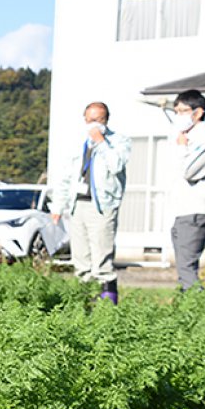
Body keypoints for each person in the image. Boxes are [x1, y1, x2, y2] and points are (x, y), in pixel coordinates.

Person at [51, 102, 131, 304]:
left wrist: (101, 142)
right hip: (77, 205)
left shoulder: (119, 142)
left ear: (106, 120)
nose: (93, 124)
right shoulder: (79, 143)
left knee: (102, 259)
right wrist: (58, 206)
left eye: (98, 120)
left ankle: (108, 305)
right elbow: (67, 177)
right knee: (80, 259)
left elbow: (116, 166)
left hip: (102, 207)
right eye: (90, 120)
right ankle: (84, 303)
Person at [169, 89, 205, 291]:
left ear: (198, 112)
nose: (179, 116)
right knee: (184, 267)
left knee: (187, 269)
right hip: (183, 209)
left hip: (197, 209)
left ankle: (197, 311)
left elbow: (189, 171)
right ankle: (189, 306)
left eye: (183, 111)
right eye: (176, 111)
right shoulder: (186, 137)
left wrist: (182, 148)